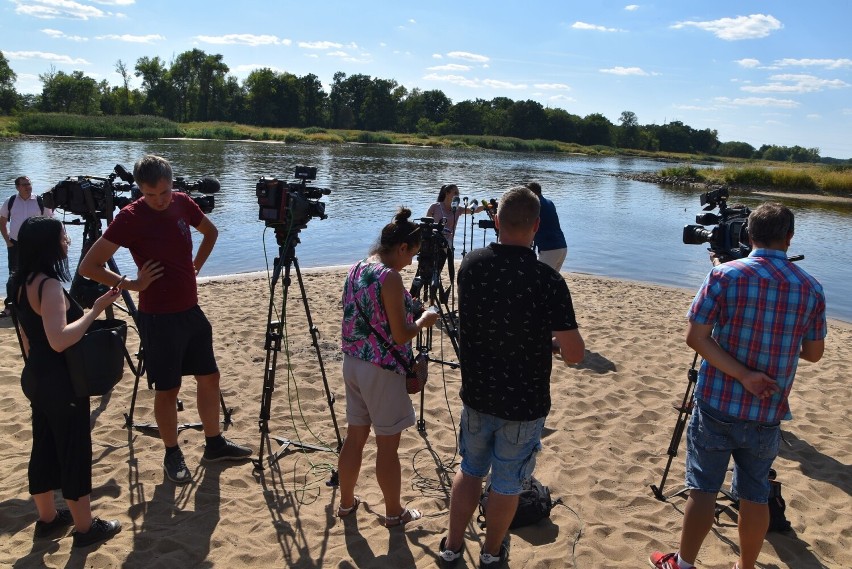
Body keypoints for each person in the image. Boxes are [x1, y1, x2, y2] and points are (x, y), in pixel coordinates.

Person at [650, 202, 826, 569]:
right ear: (790, 236)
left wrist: (742, 373)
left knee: (703, 487)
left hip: (717, 401)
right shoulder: (811, 287)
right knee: (754, 494)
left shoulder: (724, 276)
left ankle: (683, 564)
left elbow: (696, 338)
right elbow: (813, 354)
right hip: (767, 408)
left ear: (748, 235)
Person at [78, 154, 251, 486]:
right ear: (140, 190)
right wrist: (131, 284)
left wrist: (195, 266)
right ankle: (172, 452)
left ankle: (214, 444)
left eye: (165, 193)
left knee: (210, 377)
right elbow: (89, 266)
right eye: (151, 194)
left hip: (190, 309)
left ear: (173, 184)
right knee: (168, 389)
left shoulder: (183, 203)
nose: (159, 200)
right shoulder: (130, 217)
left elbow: (210, 233)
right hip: (157, 316)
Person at [438, 186, 585, 567]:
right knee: (506, 483)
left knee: (469, 471)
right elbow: (575, 354)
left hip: (479, 391)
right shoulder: (547, 280)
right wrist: (548, 342)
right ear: (536, 226)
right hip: (524, 401)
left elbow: (494, 318)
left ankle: (452, 546)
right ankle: (491, 552)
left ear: (497, 222)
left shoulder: (471, 265)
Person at [11, 216, 122, 548]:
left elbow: (26, 335)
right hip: (62, 381)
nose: (67, 243)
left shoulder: (17, 281)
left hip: (35, 376)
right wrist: (96, 310)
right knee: (74, 451)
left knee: (43, 445)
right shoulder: (49, 287)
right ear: (48, 245)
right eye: (63, 238)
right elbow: (60, 339)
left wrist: (35, 367)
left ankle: (47, 520)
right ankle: (86, 528)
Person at [336, 207, 440, 527]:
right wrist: (424, 320)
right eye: (412, 255)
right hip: (381, 370)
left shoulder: (357, 268)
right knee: (387, 446)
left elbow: (368, 313)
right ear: (402, 248)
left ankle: (346, 503)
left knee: (354, 438)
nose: (412, 263)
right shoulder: (390, 277)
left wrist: (409, 307)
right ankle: (394, 513)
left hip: (352, 363)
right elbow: (400, 334)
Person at [1, 176, 54, 318]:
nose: (27, 187)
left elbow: (50, 221)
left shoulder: (40, 201)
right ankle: (10, 307)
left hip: (36, 245)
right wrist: (7, 241)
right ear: (17, 187)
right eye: (24, 184)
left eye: (29, 184)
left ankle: (38, 305)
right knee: (14, 275)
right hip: (15, 244)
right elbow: (2, 222)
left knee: (40, 274)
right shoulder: (10, 202)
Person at [425, 184, 483, 250]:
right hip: (433, 238)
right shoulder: (434, 207)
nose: (457, 195)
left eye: (458, 193)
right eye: (455, 193)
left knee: (445, 246)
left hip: (448, 242)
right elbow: (426, 224)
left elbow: (476, 210)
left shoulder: (458, 209)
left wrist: (488, 205)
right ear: (447, 193)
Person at [525, 182, 567, 272]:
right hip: (562, 247)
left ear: (532, 193)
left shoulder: (536, 205)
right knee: (551, 281)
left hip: (550, 249)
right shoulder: (549, 202)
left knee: (540, 279)